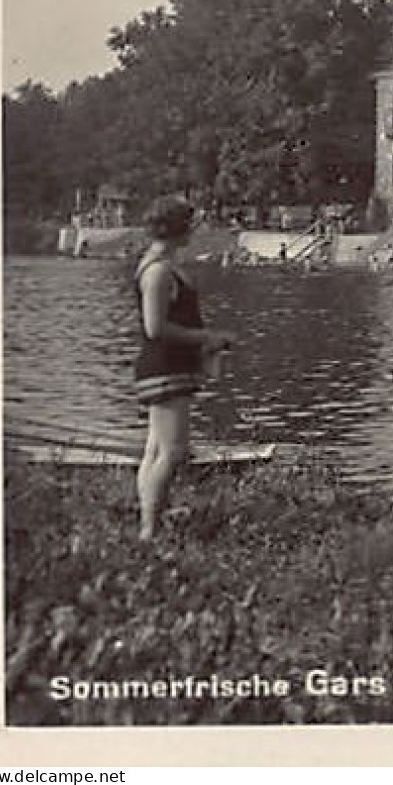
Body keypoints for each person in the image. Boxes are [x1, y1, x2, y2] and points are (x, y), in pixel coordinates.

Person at [133, 195, 236, 542]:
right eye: (191, 224)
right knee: (172, 451)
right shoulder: (159, 271)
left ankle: (147, 528)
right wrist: (206, 336)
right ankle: (149, 532)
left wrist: (205, 342)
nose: (195, 230)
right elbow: (155, 328)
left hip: (170, 366)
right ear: (180, 228)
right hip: (163, 367)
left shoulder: (166, 266)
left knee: (155, 449)